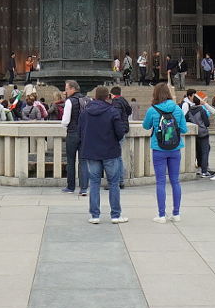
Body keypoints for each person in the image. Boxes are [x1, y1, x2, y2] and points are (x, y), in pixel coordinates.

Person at [79, 84, 129, 224]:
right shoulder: (112, 111)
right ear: (108, 97)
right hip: (110, 151)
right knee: (113, 183)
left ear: (95, 97)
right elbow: (120, 132)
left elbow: (80, 130)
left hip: (92, 151)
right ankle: (115, 215)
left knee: (94, 183)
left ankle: (95, 215)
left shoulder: (85, 112)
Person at [140, 83, 187, 223]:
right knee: (175, 181)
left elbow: (145, 126)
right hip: (175, 148)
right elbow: (184, 129)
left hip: (158, 149)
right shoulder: (177, 109)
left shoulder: (152, 110)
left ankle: (161, 215)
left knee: (160, 182)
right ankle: (176, 213)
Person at [59, 80, 86, 195]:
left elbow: (65, 121)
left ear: (73, 89)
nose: (65, 91)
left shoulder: (70, 101)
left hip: (73, 133)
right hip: (84, 133)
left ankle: (71, 187)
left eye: (67, 88)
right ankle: (84, 188)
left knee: (71, 161)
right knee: (83, 161)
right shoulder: (87, 100)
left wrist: (64, 125)